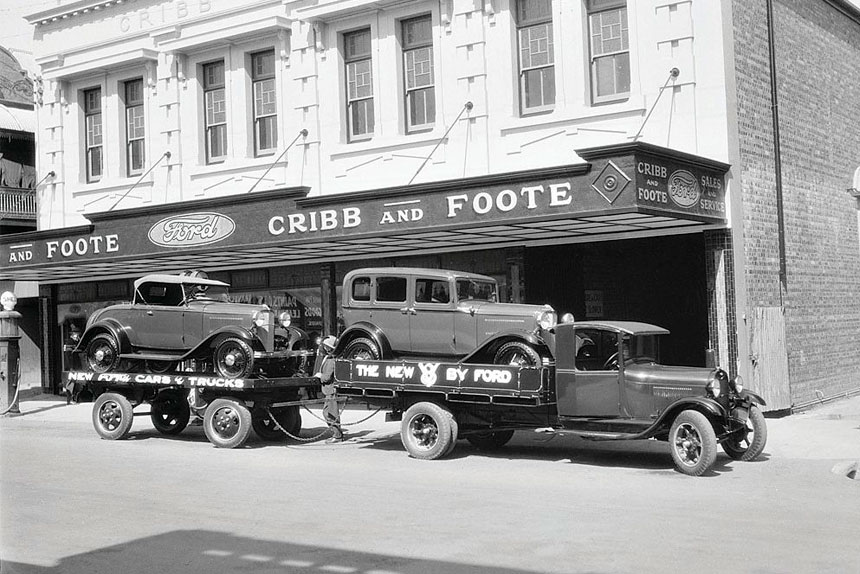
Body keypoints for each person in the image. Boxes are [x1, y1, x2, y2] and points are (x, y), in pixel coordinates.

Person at [315, 335, 345, 442]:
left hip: (331, 391)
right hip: (328, 390)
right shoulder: (328, 358)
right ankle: (337, 434)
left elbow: (327, 377)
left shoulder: (332, 360)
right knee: (329, 412)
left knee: (330, 413)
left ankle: (337, 435)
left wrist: (319, 376)